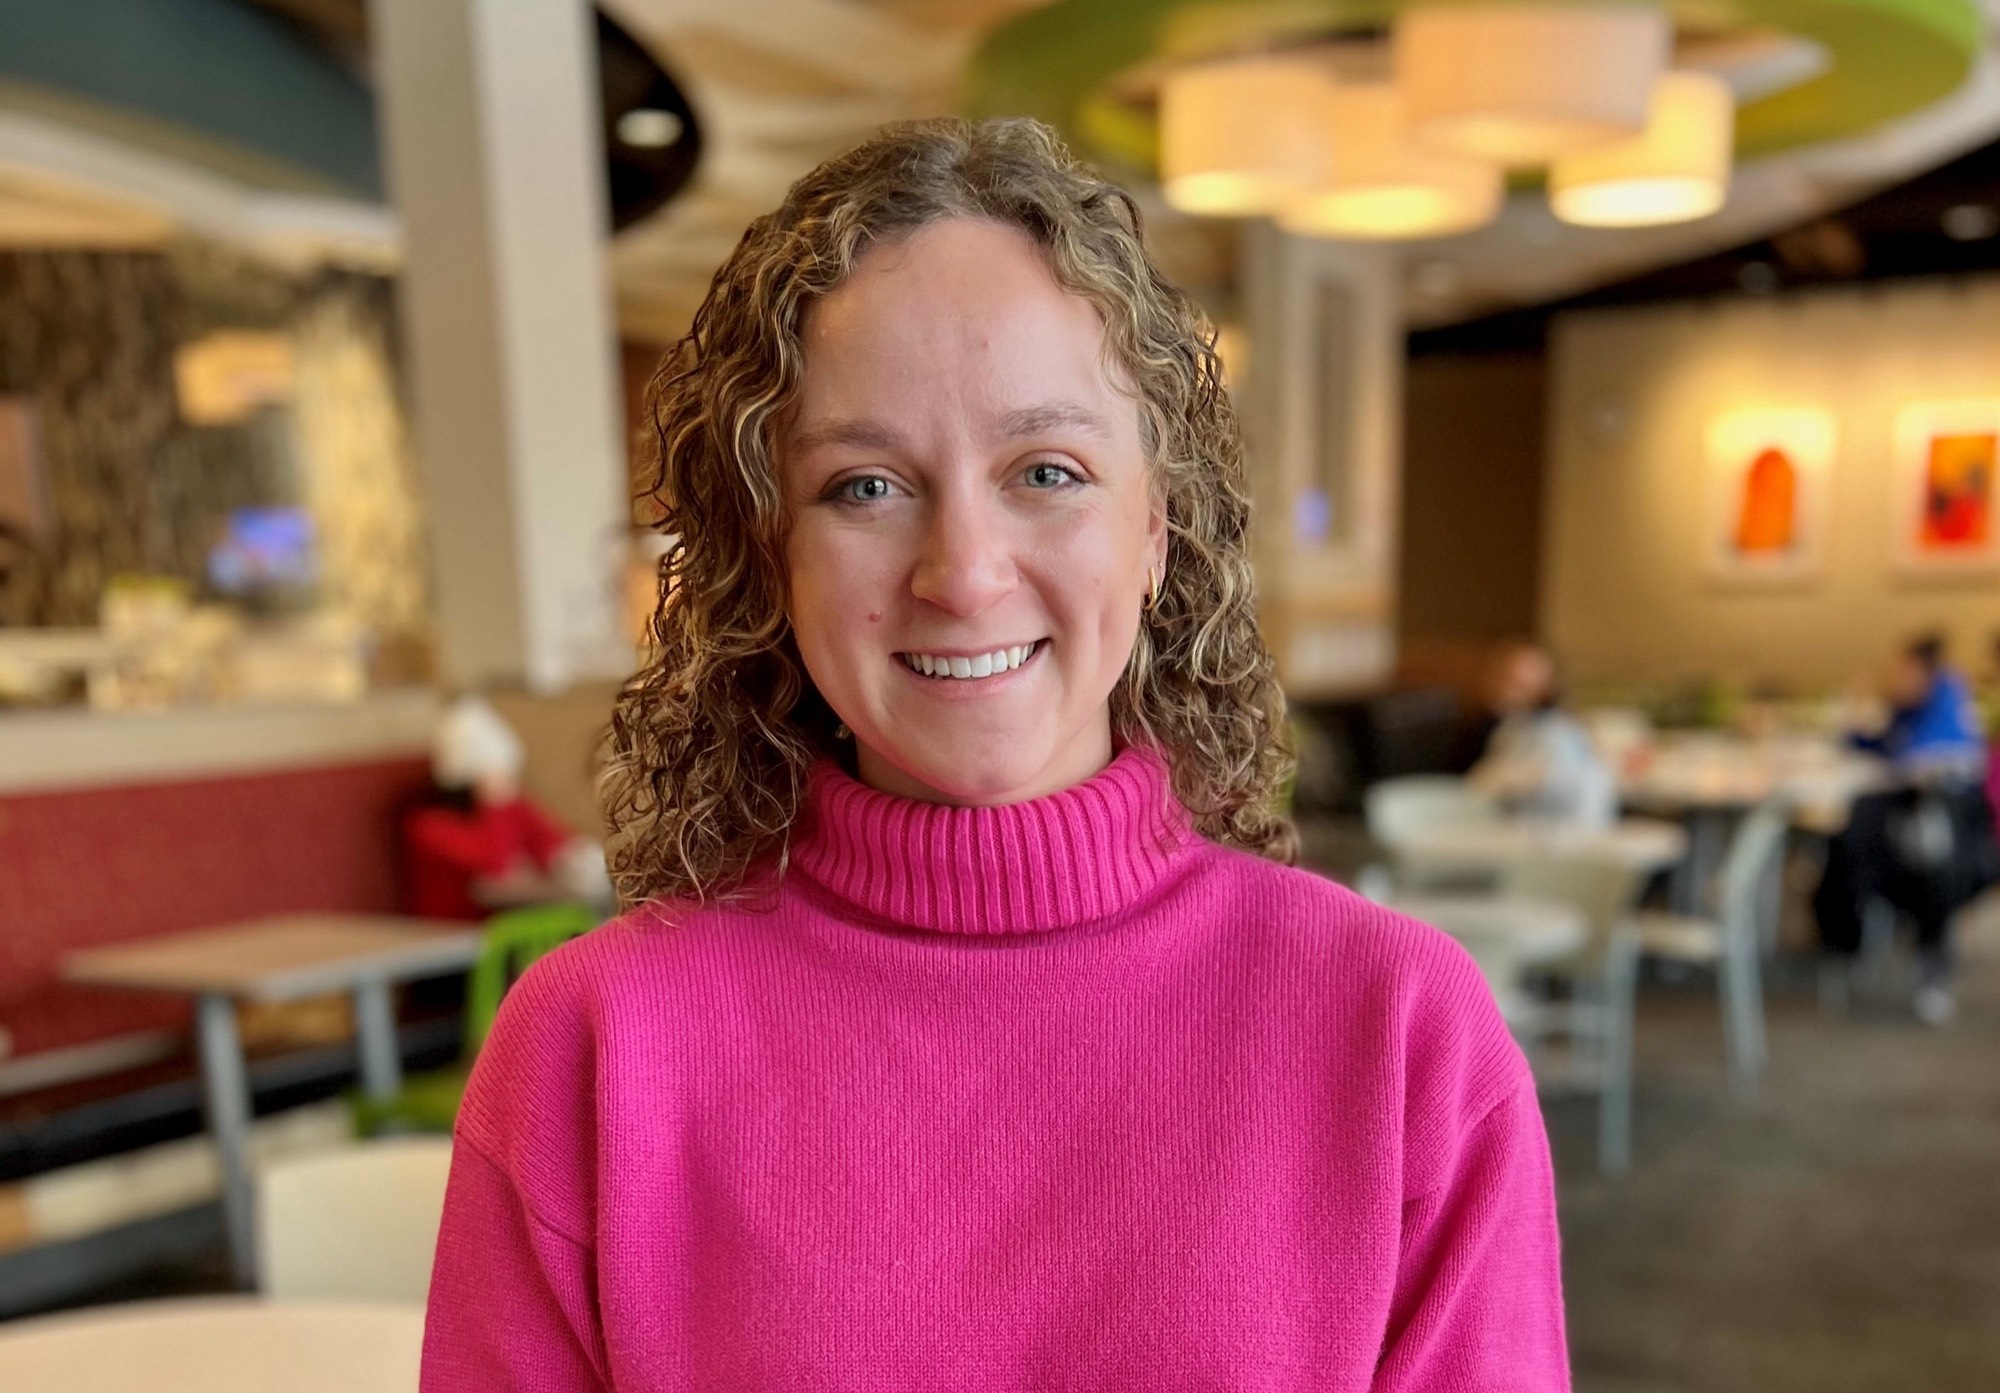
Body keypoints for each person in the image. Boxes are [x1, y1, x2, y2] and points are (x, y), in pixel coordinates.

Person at [420, 119, 1567, 1391]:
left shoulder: (1400, 1036)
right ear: (771, 554)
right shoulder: (591, 1049)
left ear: (1153, 529)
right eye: (864, 485)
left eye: (1046, 470)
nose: (962, 574)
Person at [1815, 634, 1995, 1025]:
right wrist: (1853, 720)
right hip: (1905, 830)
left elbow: (1918, 753)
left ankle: (1928, 965)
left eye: (1902, 672)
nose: (1894, 679)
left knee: (1929, 870)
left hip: (1954, 838)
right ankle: (1851, 938)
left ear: (1923, 673)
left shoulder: (1947, 701)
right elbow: (1881, 746)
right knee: (1849, 840)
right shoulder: (1908, 710)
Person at [402, 695, 604, 920]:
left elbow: (557, 847)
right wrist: (495, 801)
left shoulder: (511, 805)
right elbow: (499, 867)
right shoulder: (429, 825)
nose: (507, 783)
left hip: (509, 921)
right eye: (496, 775)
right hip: (453, 931)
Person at [1467, 642, 1617, 826]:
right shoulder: (1505, 727)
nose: (1508, 691)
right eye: (1504, 678)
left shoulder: (1557, 731)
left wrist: (1507, 778)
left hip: (1566, 828)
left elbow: (1553, 780)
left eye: (1518, 685)